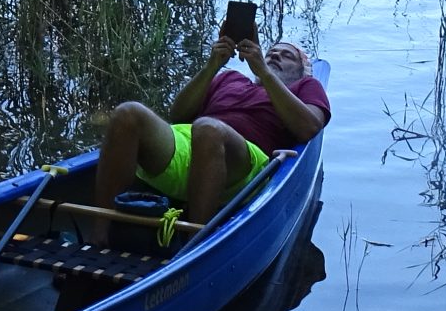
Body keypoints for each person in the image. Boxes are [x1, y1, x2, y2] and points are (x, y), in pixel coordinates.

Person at [92, 36, 330, 236]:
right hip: (192, 143)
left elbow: (308, 127)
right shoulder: (229, 78)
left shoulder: (304, 88)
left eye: (287, 55)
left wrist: (266, 74)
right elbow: (179, 114)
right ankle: (100, 231)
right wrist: (212, 66)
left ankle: (193, 240)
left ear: (302, 71)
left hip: (244, 160)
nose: (275, 55)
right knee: (128, 113)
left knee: (208, 128)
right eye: (271, 53)